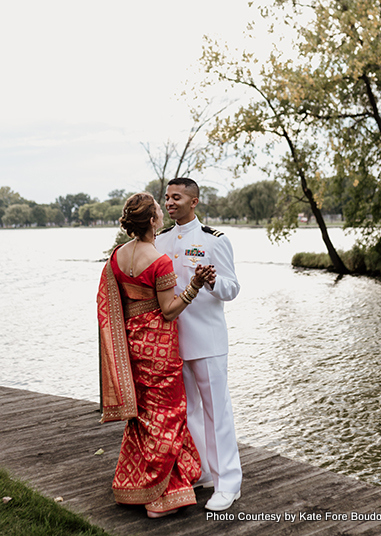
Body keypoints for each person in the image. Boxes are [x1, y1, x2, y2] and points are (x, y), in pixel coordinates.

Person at [97, 192, 214, 518]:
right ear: (151, 220)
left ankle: (135, 485)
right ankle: (160, 498)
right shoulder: (159, 260)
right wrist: (194, 286)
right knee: (168, 417)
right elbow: (169, 310)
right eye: (159, 210)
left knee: (144, 418)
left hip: (133, 346)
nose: (163, 213)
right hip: (160, 350)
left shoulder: (117, 257)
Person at [155, 178, 242, 512]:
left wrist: (213, 281)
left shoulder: (214, 240)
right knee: (190, 412)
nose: (170, 202)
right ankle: (204, 471)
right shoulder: (161, 240)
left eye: (177, 197)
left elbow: (232, 288)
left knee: (216, 412)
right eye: (167, 198)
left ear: (194, 201)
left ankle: (228, 483)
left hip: (207, 339)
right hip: (174, 340)